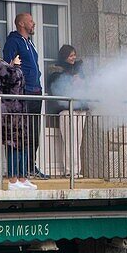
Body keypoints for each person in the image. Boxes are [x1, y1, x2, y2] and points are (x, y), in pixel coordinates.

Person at [0, 34, 35, 190]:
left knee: (21, 142)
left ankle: (23, 178)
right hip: (6, 110)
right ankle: (13, 179)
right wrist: (15, 66)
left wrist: (11, 67)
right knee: (13, 144)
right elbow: (14, 76)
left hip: (13, 108)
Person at [2, 12, 46, 179]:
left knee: (34, 131)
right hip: (24, 91)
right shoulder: (13, 42)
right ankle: (20, 170)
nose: (33, 23)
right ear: (21, 24)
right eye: (30, 21)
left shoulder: (30, 43)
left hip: (36, 90)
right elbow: (8, 65)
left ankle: (30, 166)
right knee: (23, 132)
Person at [46, 44, 87, 178]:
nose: (73, 57)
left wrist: (82, 82)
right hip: (66, 110)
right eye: (70, 55)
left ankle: (77, 170)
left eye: (74, 54)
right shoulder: (56, 71)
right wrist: (71, 82)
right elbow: (56, 89)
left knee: (78, 141)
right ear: (64, 56)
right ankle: (70, 170)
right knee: (70, 141)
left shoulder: (79, 70)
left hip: (80, 108)